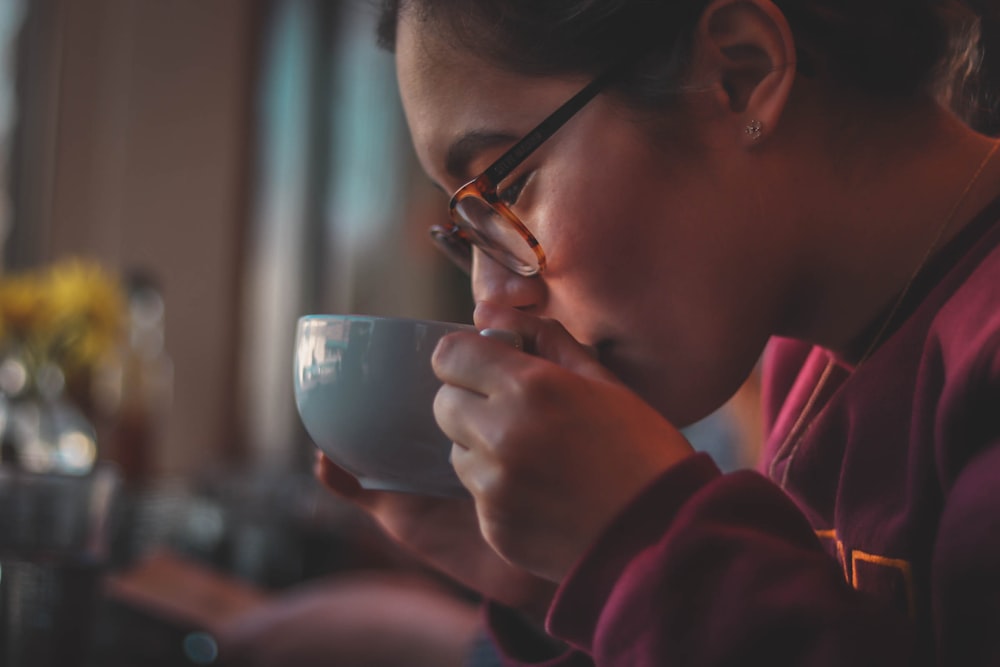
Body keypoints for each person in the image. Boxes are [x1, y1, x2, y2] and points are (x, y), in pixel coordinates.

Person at [312, 0, 1000, 664]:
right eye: (468, 234)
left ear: (739, 75)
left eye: (509, 189)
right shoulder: (808, 356)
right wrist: (563, 586)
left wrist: (639, 550)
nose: (492, 304)